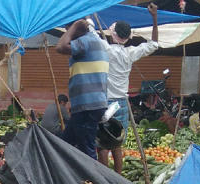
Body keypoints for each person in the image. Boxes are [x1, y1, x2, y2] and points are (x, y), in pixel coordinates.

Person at [101, 4, 161, 174]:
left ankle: (104, 179)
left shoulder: (107, 50)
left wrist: (88, 19)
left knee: (103, 146)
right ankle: (118, 179)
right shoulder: (130, 53)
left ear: (113, 35)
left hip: (106, 102)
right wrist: (154, 17)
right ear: (128, 37)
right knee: (117, 144)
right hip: (121, 103)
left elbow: (91, 33)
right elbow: (154, 44)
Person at [56, 18, 110, 158]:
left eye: (69, 30)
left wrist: (74, 26)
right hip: (89, 105)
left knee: (87, 150)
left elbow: (60, 47)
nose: (68, 34)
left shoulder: (86, 41)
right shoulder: (95, 42)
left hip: (88, 106)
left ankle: (93, 179)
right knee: (64, 144)